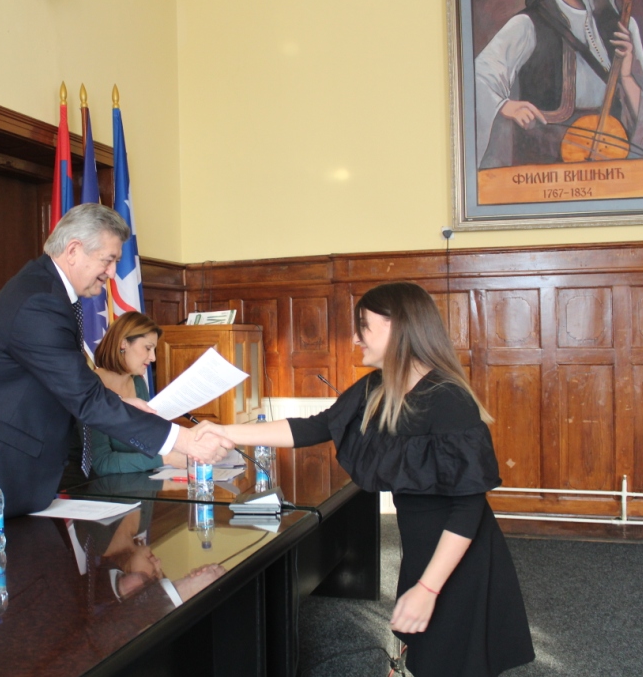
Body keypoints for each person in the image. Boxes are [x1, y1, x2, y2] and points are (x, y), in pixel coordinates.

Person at [196, 282, 534, 677]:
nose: (355, 338)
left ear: (397, 326)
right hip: (422, 549)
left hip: (458, 557)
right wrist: (226, 432)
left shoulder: (448, 398)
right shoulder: (378, 386)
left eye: (364, 327)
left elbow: (467, 507)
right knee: (427, 656)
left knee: (453, 659)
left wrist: (428, 588)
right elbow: (315, 426)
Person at [0, 204, 231, 529]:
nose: (112, 273)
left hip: (9, 464)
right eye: (108, 260)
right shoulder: (39, 302)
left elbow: (64, 380)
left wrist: (122, 402)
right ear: (73, 251)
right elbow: (84, 397)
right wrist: (181, 440)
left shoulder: (47, 290)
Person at [475, 0, 643, 168]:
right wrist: (505, 106)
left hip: (610, 164)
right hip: (545, 167)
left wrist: (627, 77)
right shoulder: (528, 23)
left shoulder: (621, 26)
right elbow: (478, 78)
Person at [87, 311, 186, 476]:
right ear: (123, 343)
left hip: (137, 480)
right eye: (148, 348)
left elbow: (146, 442)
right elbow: (102, 463)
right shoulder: (90, 386)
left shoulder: (138, 383)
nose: (153, 358)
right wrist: (166, 459)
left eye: (154, 350)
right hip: (95, 485)